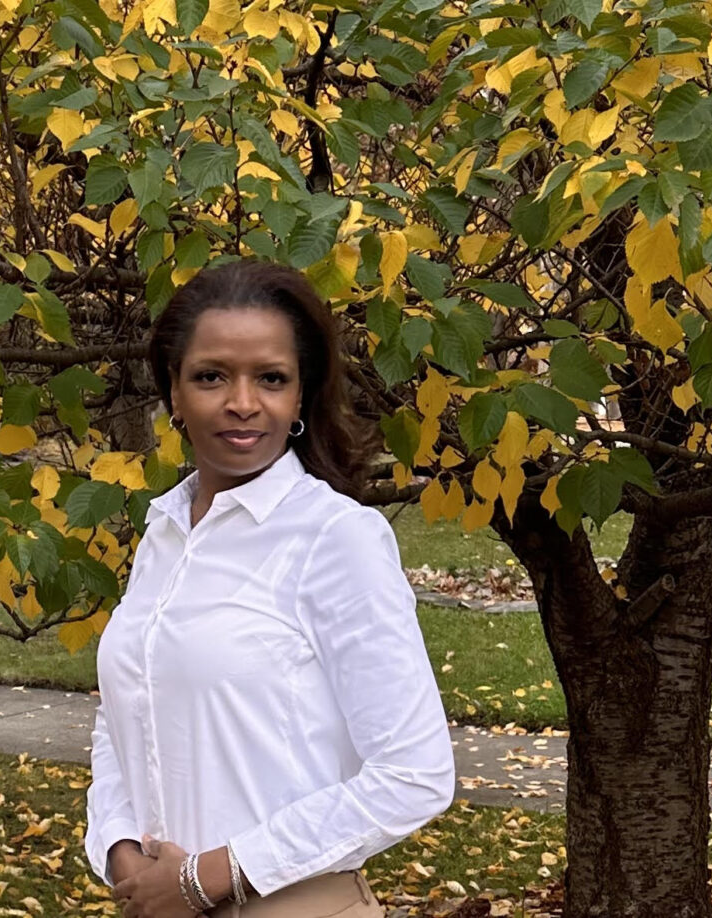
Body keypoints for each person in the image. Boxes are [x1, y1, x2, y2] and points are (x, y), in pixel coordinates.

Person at [85, 260, 455, 918]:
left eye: (271, 378)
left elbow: (414, 774)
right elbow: (125, 713)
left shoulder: (334, 538)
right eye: (211, 376)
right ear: (173, 391)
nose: (243, 402)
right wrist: (119, 850)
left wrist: (211, 875)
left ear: (301, 395)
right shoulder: (165, 534)